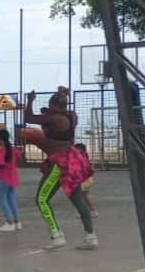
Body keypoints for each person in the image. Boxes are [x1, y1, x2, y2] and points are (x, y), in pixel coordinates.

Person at [23, 87, 97, 250]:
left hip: (60, 163)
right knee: (78, 199)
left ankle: (57, 236)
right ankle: (91, 237)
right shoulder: (72, 116)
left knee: (42, 200)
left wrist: (30, 101)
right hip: (73, 161)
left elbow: (28, 117)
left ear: (53, 104)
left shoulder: (53, 117)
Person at [0, 130, 23, 232]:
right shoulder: (13, 149)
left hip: (5, 177)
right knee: (11, 198)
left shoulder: (2, 150)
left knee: (2, 198)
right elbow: (19, 156)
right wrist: (13, 164)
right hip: (13, 176)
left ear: (0, 139)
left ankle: (10, 222)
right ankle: (17, 222)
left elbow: (0, 164)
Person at [75, 143, 99, 218]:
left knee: (82, 196)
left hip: (84, 180)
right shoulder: (84, 156)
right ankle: (89, 211)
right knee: (85, 196)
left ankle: (92, 211)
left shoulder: (81, 158)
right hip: (87, 179)